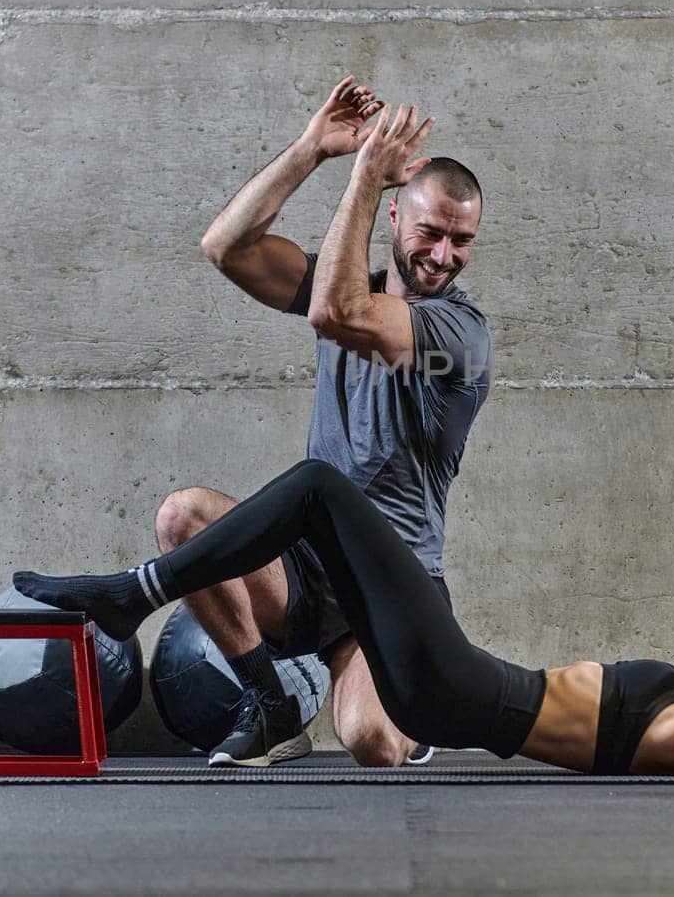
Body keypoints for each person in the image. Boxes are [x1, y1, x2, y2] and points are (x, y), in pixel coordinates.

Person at [15, 459, 674, 780]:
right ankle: (148, 590)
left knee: (321, 489)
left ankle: (134, 591)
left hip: (460, 691)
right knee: (320, 510)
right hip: (459, 687)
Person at [158, 78, 489, 766]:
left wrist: (365, 177)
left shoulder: (459, 332)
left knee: (371, 739)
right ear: (396, 217)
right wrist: (312, 149)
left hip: (395, 578)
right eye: (431, 231)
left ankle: (418, 694)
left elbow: (336, 314)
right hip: (306, 567)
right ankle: (273, 707)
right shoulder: (346, 284)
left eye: (463, 240)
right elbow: (226, 246)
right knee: (182, 519)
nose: (444, 254)